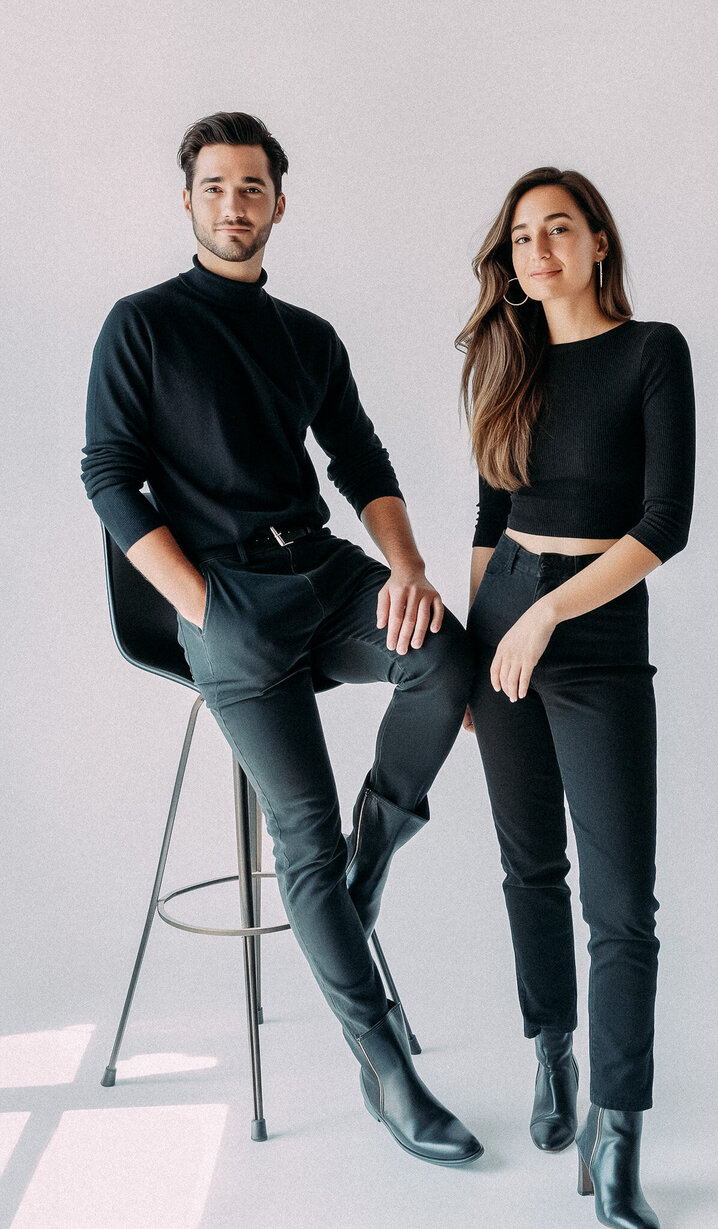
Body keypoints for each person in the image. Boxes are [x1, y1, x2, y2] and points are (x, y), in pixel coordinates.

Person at [82, 111, 482, 1167]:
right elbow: (106, 476)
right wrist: (199, 601)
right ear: (189, 200)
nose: (234, 204)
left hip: (322, 568)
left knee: (446, 655)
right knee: (296, 840)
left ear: (277, 202)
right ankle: (385, 1062)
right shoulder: (142, 325)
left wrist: (406, 568)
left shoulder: (307, 334)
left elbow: (363, 460)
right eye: (215, 186)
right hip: (224, 601)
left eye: (252, 186)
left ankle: (374, 850)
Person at [458, 167, 695, 1227]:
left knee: (621, 904)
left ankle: (617, 1134)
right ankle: (548, 1051)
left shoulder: (652, 352)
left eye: (558, 227)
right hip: (499, 606)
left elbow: (663, 522)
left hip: (589, 625)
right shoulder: (504, 361)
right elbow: (482, 514)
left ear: (597, 240)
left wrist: (551, 613)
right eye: (520, 236)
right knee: (526, 863)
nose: (537, 248)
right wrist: (479, 647)